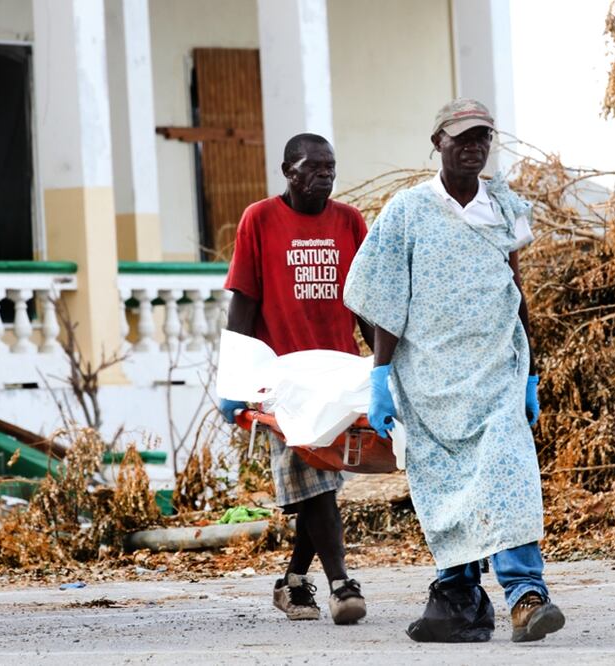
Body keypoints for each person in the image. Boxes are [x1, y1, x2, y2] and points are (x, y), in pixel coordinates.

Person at [343, 99, 565, 643]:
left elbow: (516, 292)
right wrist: (380, 375)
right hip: (431, 382)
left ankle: (525, 596)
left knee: (508, 476)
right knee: (447, 490)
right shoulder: (408, 211)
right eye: (462, 136)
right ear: (437, 142)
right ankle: (460, 597)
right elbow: (382, 297)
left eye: (483, 136)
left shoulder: (506, 208)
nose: (474, 146)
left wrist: (530, 372)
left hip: (496, 373)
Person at [218, 133, 373, 625]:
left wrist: (387, 366)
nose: (326, 175)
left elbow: (367, 303)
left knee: (323, 477)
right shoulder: (259, 220)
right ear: (289, 171)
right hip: (283, 378)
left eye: (331, 167)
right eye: (314, 167)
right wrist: (232, 379)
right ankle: (342, 584)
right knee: (316, 477)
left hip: (342, 374)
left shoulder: (349, 222)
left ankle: (292, 582)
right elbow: (242, 302)